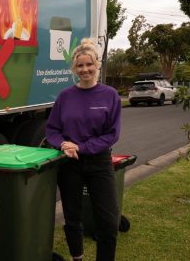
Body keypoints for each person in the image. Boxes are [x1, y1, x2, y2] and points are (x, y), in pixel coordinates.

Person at [45, 38, 122, 261]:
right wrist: (62, 144)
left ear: (97, 64)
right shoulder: (65, 96)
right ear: (75, 68)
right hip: (70, 164)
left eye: (89, 64)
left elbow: (111, 134)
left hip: (99, 162)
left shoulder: (110, 95)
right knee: (72, 216)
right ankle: (77, 258)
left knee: (108, 220)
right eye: (80, 65)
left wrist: (82, 147)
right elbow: (52, 129)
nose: (85, 69)